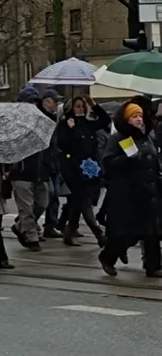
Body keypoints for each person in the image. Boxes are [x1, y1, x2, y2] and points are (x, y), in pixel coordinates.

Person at [98, 100, 161, 277]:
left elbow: (153, 160)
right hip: (128, 193)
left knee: (152, 232)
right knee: (126, 233)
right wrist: (127, 159)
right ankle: (107, 257)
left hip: (149, 191)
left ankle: (153, 266)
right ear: (126, 119)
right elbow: (108, 163)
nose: (139, 119)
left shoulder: (146, 136)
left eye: (140, 115)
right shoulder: (119, 138)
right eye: (134, 116)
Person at [56, 94, 109, 247]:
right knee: (83, 199)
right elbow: (63, 145)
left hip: (89, 168)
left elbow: (105, 120)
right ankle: (99, 233)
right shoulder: (65, 124)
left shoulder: (88, 124)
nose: (80, 109)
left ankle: (69, 232)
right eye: (77, 106)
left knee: (77, 201)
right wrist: (70, 129)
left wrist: (94, 105)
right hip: (72, 167)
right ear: (70, 108)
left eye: (82, 106)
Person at [8, 87, 49, 252]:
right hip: (21, 172)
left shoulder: (41, 120)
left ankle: (20, 227)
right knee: (26, 208)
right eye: (29, 102)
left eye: (34, 102)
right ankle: (31, 237)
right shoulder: (14, 122)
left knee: (41, 203)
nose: (32, 105)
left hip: (39, 171)